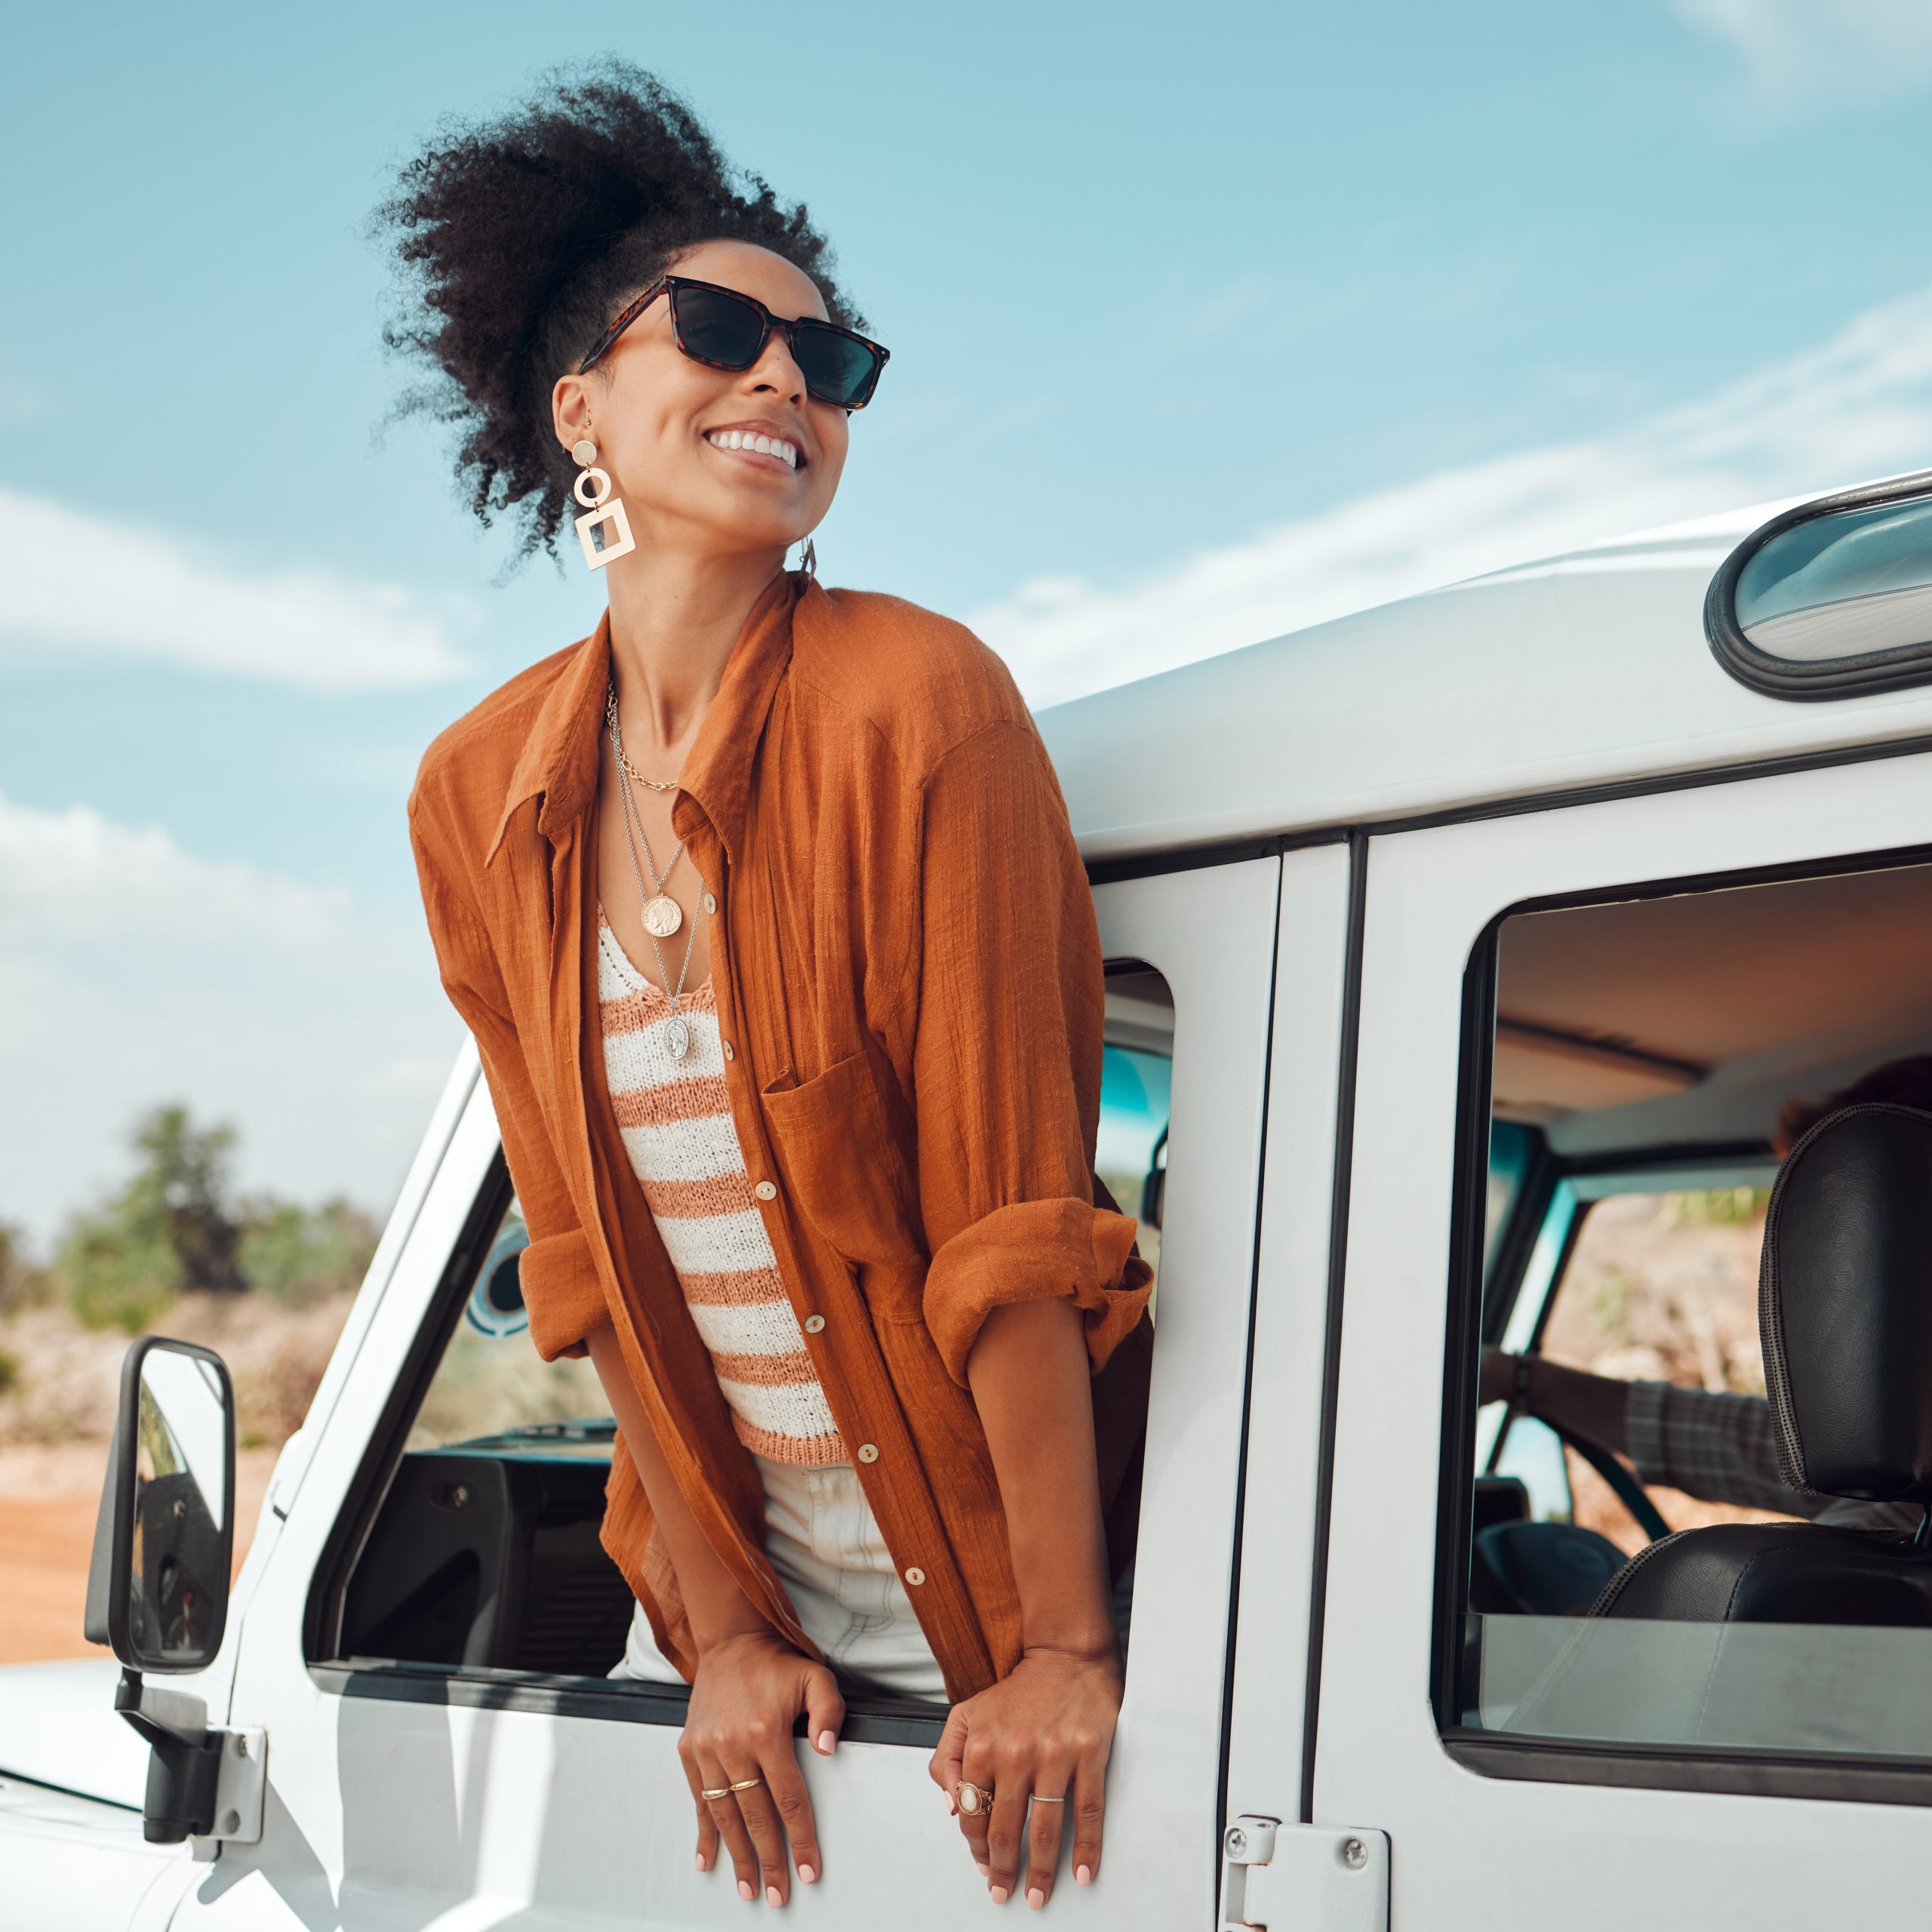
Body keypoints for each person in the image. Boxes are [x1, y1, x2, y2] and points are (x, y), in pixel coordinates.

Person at [386, 63, 1152, 1915]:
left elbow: (1010, 1231)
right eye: (723, 332)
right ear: (579, 405)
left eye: (834, 360)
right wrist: (717, 1634)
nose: (784, 381)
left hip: (993, 1610)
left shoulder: (918, 705)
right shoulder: (474, 793)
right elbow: (580, 1262)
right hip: (730, 1632)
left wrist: (1057, 1649)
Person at [1482, 1055, 1932, 1537]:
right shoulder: (1901, 1494)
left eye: (1842, 1231)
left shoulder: (1872, 1561)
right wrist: (1523, 1380)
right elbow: (1769, 1448)